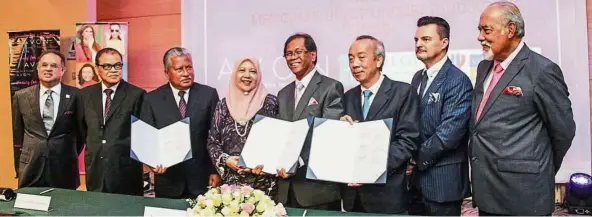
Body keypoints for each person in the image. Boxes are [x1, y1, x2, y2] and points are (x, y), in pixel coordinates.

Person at [471, 1, 575, 215]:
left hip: (524, 195)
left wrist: (540, 169)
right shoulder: (483, 68)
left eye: (486, 30)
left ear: (510, 30)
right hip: (488, 193)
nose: (480, 37)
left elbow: (563, 131)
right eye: (480, 30)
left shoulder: (542, 71)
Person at [339, 35, 420, 214]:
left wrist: (371, 169)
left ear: (378, 60)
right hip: (353, 197)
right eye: (350, 59)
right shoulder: (347, 97)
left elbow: (407, 141)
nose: (354, 64)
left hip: (387, 195)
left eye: (361, 57)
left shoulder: (403, 92)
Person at [407, 16, 472, 216]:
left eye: (425, 39)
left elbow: (448, 135)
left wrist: (414, 160)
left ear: (444, 43)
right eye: (416, 40)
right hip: (416, 183)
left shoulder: (457, 80)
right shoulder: (418, 77)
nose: (418, 44)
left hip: (443, 183)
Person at [140, 47, 221, 199]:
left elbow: (215, 137)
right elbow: (147, 139)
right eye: (179, 69)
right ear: (167, 72)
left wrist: (215, 171)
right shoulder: (152, 99)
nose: (186, 73)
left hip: (202, 180)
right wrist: (152, 162)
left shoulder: (208, 95)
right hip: (168, 180)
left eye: (189, 67)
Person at [275, 33, 344, 210]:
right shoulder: (283, 94)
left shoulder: (330, 87)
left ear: (313, 55)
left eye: (298, 52)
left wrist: (296, 161)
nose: (292, 58)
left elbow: (328, 134)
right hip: (285, 190)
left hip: (317, 191)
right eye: (288, 54)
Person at [206, 58, 279, 198]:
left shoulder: (271, 103)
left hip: (264, 185)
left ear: (259, 76)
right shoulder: (223, 106)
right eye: (242, 70)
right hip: (231, 187)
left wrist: (267, 164)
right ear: (234, 74)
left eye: (253, 71)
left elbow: (278, 141)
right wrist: (226, 160)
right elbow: (213, 142)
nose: (247, 75)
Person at [12, 50, 85, 189]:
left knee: (64, 208)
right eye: (44, 65)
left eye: (54, 65)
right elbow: (17, 134)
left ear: (62, 70)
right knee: (29, 208)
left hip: (64, 167)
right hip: (31, 166)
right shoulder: (21, 96)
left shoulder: (76, 95)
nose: (48, 69)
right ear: (38, 68)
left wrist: (65, 150)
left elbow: (81, 134)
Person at [80, 48, 146, 196]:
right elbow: (80, 131)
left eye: (118, 65)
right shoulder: (84, 95)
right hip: (95, 169)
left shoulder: (136, 95)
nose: (114, 70)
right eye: (107, 66)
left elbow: (143, 134)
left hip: (125, 171)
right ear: (97, 69)